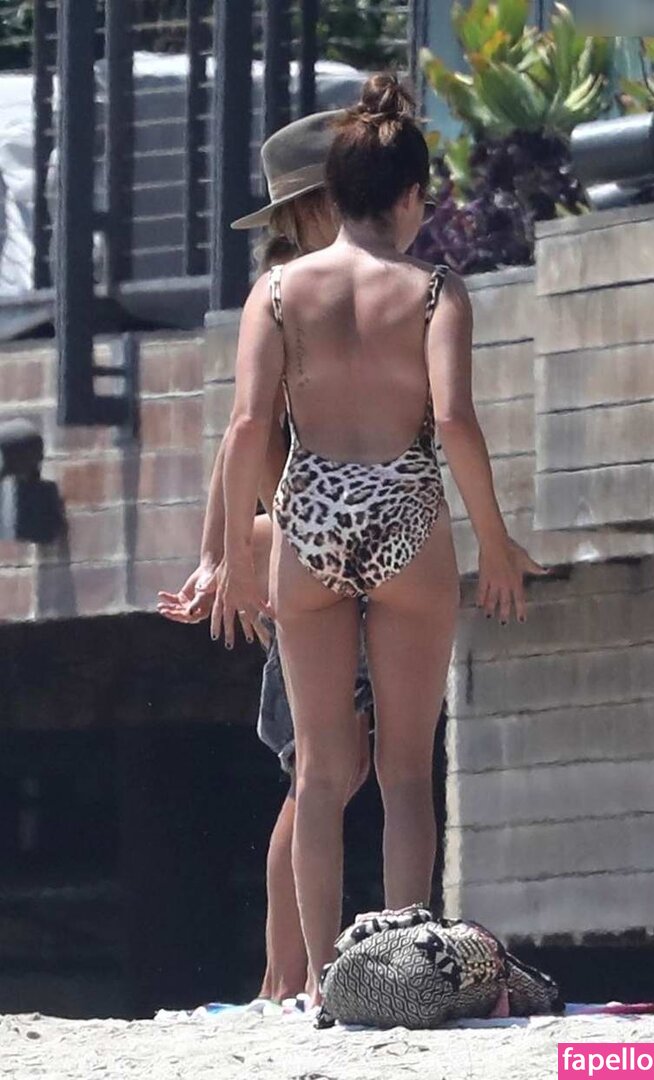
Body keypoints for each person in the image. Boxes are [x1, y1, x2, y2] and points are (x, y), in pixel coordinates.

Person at [211, 73, 547, 1008]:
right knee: (404, 772)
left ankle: (325, 985)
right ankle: (400, 974)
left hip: (311, 511)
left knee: (320, 773)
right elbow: (457, 420)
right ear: (411, 197)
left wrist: (235, 560)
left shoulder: (277, 291)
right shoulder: (436, 290)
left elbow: (247, 429)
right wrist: (496, 543)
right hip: (404, 507)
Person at [157, 110, 374, 1007]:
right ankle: (284, 976)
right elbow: (240, 438)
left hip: (320, 552)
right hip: (305, 554)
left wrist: (225, 552)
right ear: (321, 204)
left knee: (325, 773)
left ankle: (282, 975)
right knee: (321, 773)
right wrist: (222, 555)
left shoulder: (311, 288)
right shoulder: (295, 294)